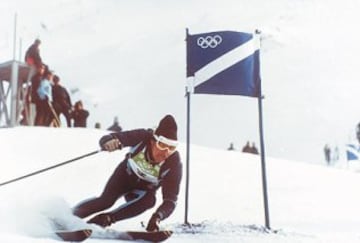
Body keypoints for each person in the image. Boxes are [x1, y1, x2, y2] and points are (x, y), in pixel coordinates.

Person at [72, 114, 182, 232]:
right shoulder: (142, 136)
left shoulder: (173, 163)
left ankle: (105, 219)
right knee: (105, 201)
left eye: (172, 148)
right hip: (123, 178)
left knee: (149, 201)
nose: (166, 153)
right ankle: (68, 216)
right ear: (152, 141)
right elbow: (111, 137)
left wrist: (157, 217)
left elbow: (170, 200)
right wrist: (109, 142)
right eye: (162, 145)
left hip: (141, 192)